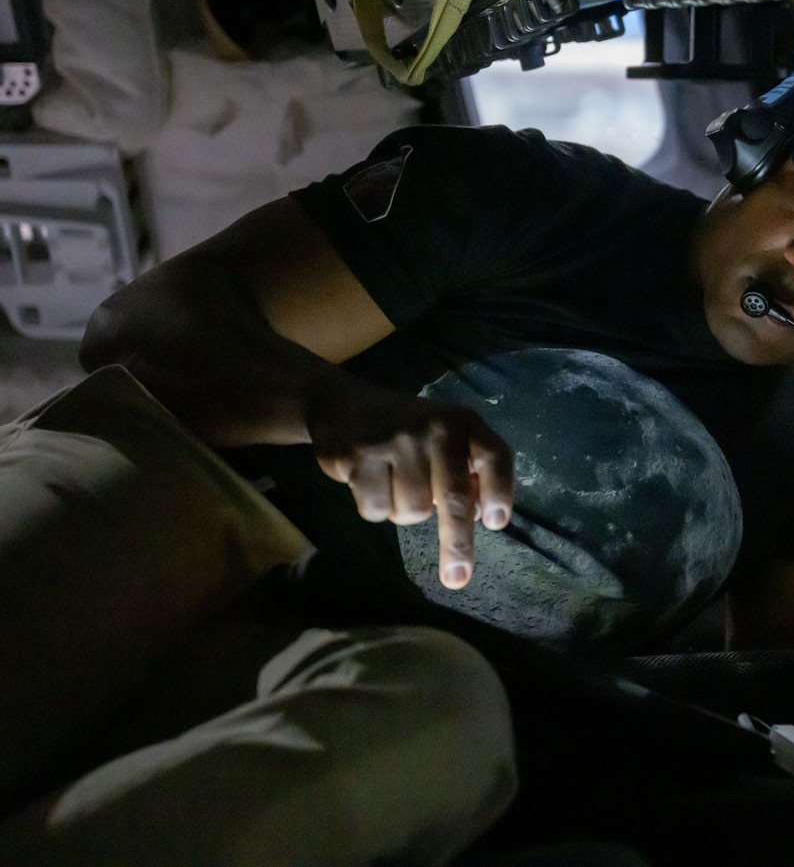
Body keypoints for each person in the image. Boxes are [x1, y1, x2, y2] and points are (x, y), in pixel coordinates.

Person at [82, 43, 794, 651]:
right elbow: (133, 335)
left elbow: (790, 664)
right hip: (188, 572)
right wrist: (329, 407)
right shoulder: (519, 200)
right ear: (757, 150)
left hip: (451, 736)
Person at [0, 365, 518, 866]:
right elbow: (134, 336)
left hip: (385, 670)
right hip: (197, 496)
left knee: (448, 711)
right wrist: (327, 402)